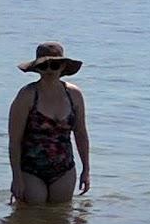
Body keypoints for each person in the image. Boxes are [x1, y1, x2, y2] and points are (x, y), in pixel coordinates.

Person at [8, 42, 90, 205]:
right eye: (44, 65)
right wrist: (16, 177)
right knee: (30, 217)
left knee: (61, 218)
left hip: (64, 168)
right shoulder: (27, 95)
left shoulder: (74, 95)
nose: (49, 70)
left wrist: (86, 169)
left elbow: (81, 133)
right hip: (31, 169)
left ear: (63, 67)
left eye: (55, 65)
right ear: (37, 68)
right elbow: (14, 140)